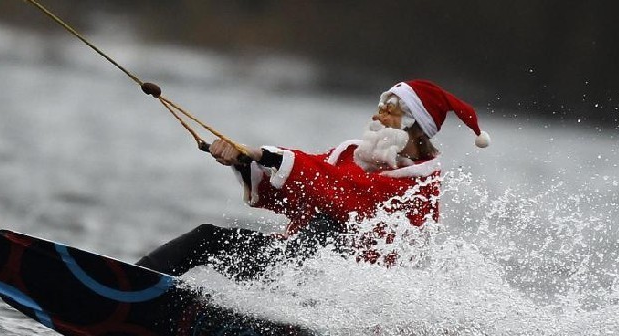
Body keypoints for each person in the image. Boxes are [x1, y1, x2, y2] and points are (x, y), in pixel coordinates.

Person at [137, 79, 490, 279]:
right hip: (300, 265)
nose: (376, 115)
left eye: (389, 110)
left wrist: (265, 153)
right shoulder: (352, 156)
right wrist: (244, 160)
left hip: (346, 289)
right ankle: (133, 283)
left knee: (328, 228)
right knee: (206, 238)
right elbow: (300, 191)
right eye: (380, 106)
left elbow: (346, 198)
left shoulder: (417, 186)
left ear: (415, 125)